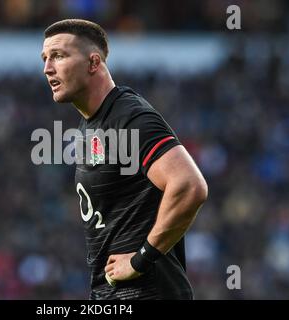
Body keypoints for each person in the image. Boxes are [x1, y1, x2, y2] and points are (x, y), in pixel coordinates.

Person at [41, 19, 208, 300]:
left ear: (93, 63)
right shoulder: (91, 125)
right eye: (45, 59)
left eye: (58, 56)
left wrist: (140, 259)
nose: (47, 68)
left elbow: (189, 186)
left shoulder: (129, 116)